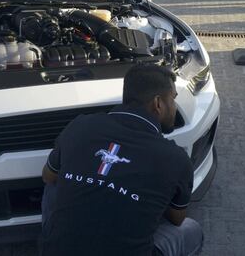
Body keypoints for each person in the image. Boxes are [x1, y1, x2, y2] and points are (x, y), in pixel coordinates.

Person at [40, 64, 203, 256]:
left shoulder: (80, 126)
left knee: (54, 185)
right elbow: (177, 218)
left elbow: (48, 176)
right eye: (173, 99)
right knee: (191, 229)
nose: (174, 107)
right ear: (158, 103)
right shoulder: (176, 159)